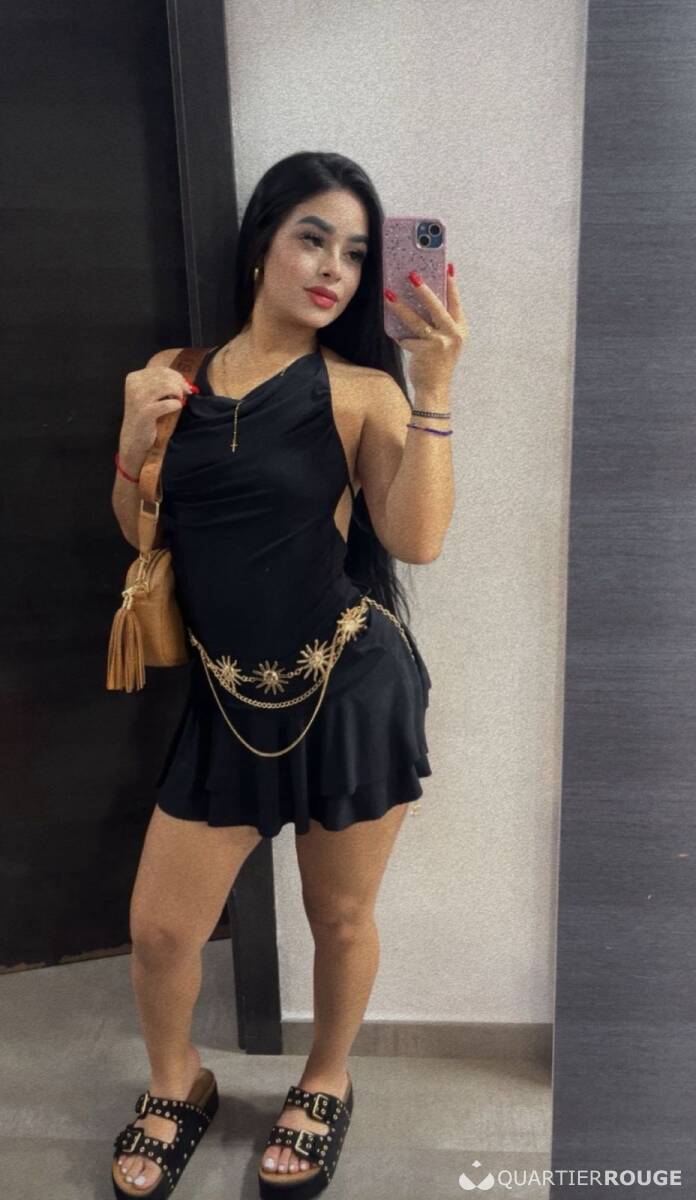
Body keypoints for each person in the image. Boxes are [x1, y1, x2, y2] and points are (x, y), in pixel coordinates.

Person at [110, 150, 466, 1199]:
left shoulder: (360, 391)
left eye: (354, 253)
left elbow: (416, 540)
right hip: (225, 698)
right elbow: (139, 534)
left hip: (348, 690)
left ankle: (325, 1079)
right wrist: (132, 441)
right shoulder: (172, 369)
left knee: (340, 919)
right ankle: (176, 1083)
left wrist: (435, 389)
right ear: (263, 241)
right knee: (162, 929)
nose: (333, 269)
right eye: (313, 238)